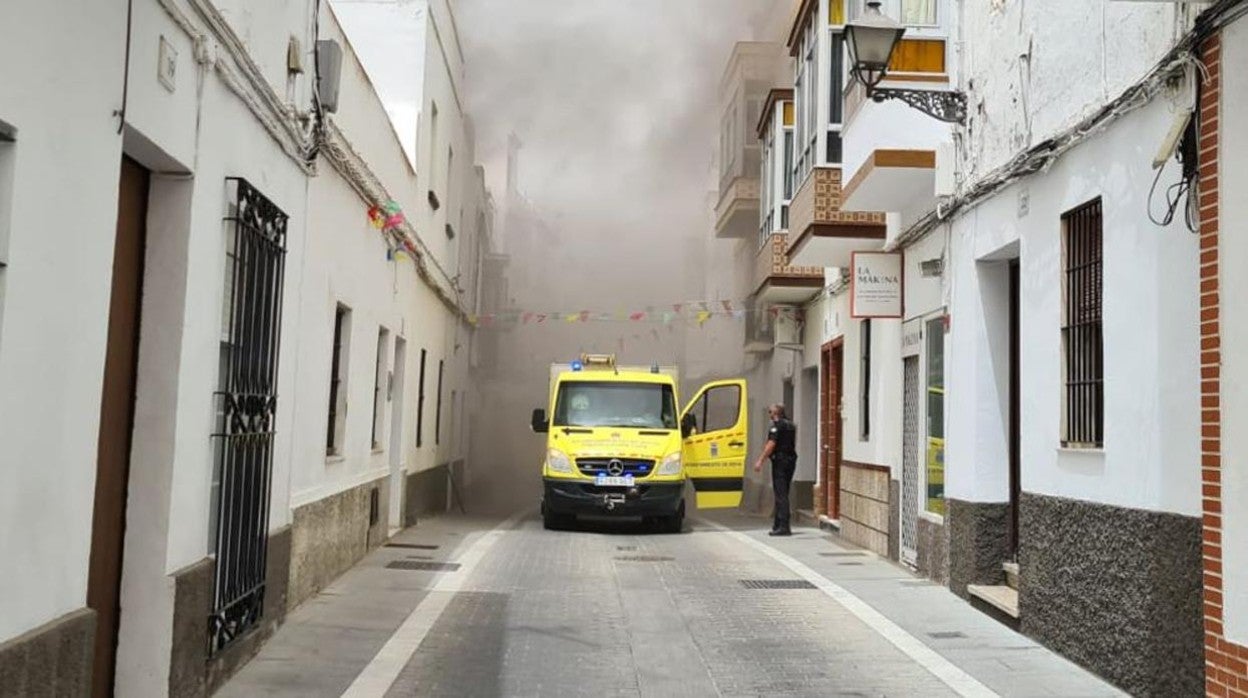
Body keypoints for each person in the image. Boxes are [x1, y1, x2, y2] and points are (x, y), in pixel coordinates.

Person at [753, 403, 797, 536]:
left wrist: (760, 460)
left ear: (776, 413)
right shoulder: (791, 425)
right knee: (784, 491)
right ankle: (777, 524)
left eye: (770, 412)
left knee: (780, 493)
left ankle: (783, 526)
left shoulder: (776, 427)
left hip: (780, 462)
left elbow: (771, 444)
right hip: (790, 460)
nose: (769, 415)